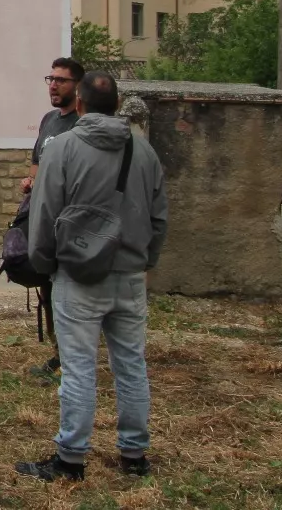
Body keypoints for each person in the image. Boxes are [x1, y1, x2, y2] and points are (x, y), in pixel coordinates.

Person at [17, 71, 168, 483]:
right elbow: (159, 217)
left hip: (78, 273)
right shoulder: (145, 152)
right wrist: (145, 261)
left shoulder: (63, 148)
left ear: (79, 105)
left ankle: (70, 459)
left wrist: (45, 264)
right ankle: (134, 455)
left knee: (80, 367)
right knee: (131, 365)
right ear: (118, 106)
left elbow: (44, 214)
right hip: (130, 273)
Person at [20, 56, 83, 376]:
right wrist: (30, 182)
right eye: (51, 79)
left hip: (71, 219)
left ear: (77, 87)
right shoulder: (48, 121)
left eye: (61, 80)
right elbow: (36, 164)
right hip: (43, 216)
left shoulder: (82, 124)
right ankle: (59, 353)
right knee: (45, 285)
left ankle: (74, 355)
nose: (54, 85)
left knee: (68, 287)